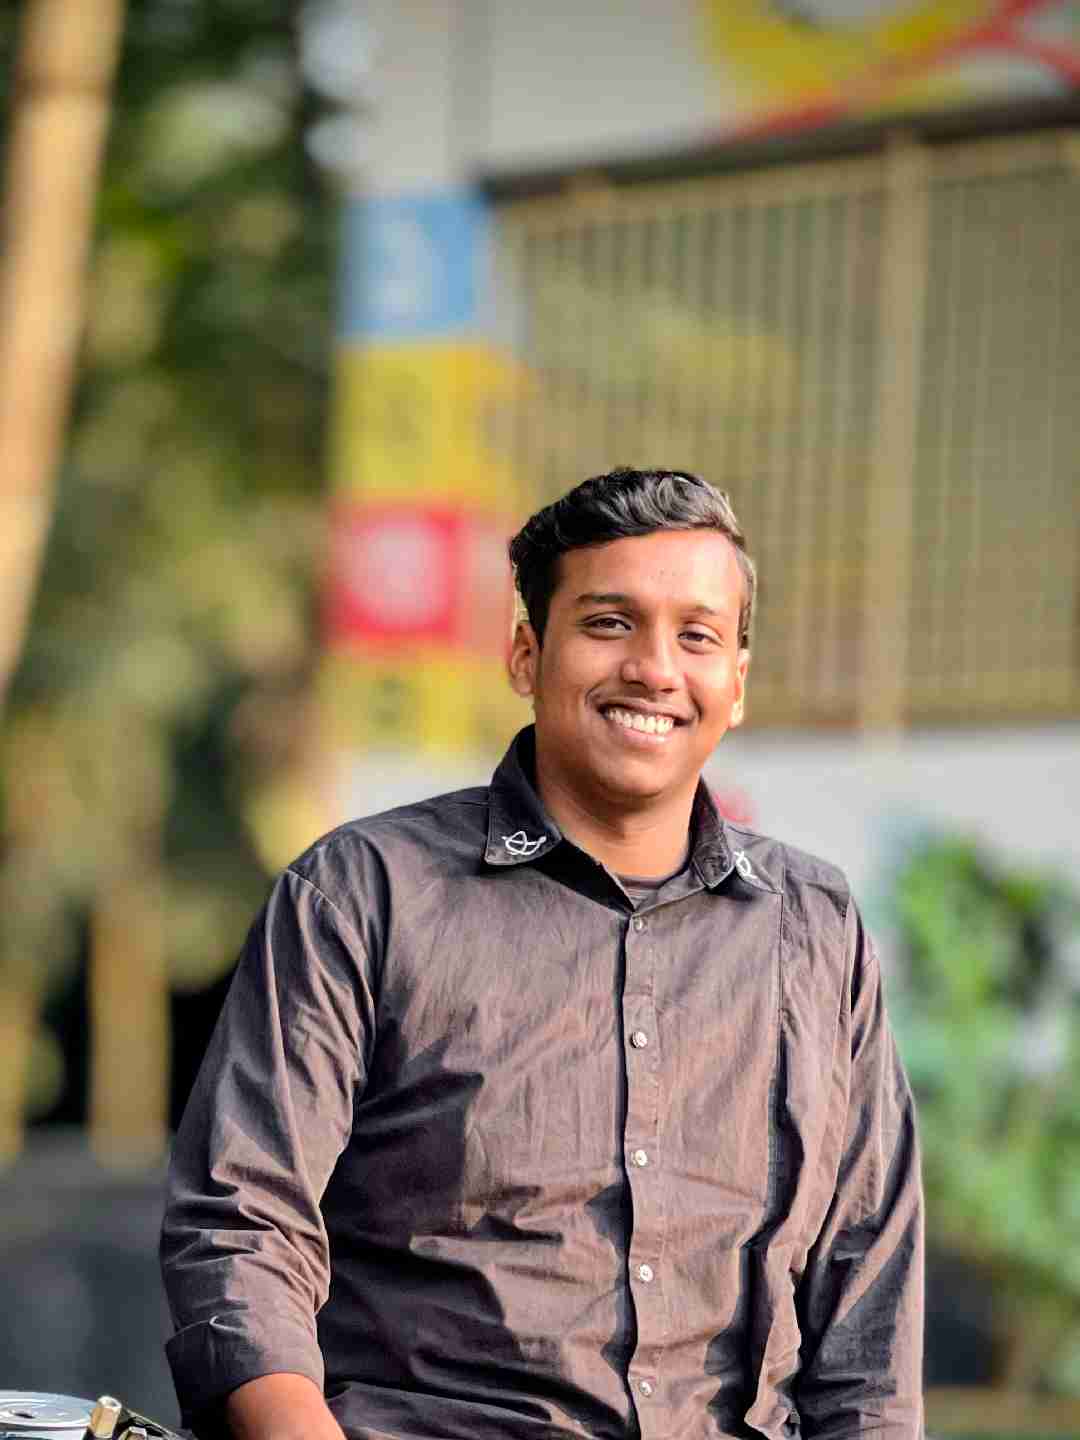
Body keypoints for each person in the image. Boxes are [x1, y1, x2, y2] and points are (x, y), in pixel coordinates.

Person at [161, 467, 924, 1440]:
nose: (654, 669)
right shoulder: (362, 895)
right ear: (527, 654)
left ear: (736, 684)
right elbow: (242, 1227)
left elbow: (867, 1296)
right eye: (610, 623)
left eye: (696, 636)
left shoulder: (815, 927)